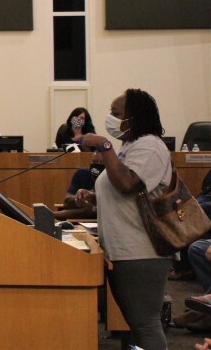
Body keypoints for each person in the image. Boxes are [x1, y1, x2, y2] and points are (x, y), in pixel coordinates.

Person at [78, 88, 172, 350]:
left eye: (116, 113)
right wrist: (94, 198)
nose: (110, 118)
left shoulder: (151, 147)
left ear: (134, 117)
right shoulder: (130, 146)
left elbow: (128, 183)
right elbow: (127, 196)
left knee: (145, 325)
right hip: (123, 250)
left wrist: (104, 146)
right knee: (136, 325)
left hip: (142, 251)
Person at [53, 148, 103, 220]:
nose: (97, 165)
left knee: (92, 209)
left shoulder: (110, 177)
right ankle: (49, 215)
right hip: (81, 213)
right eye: (94, 162)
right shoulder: (82, 173)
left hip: (101, 216)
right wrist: (80, 198)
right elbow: (67, 201)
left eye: (101, 163)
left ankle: (49, 215)